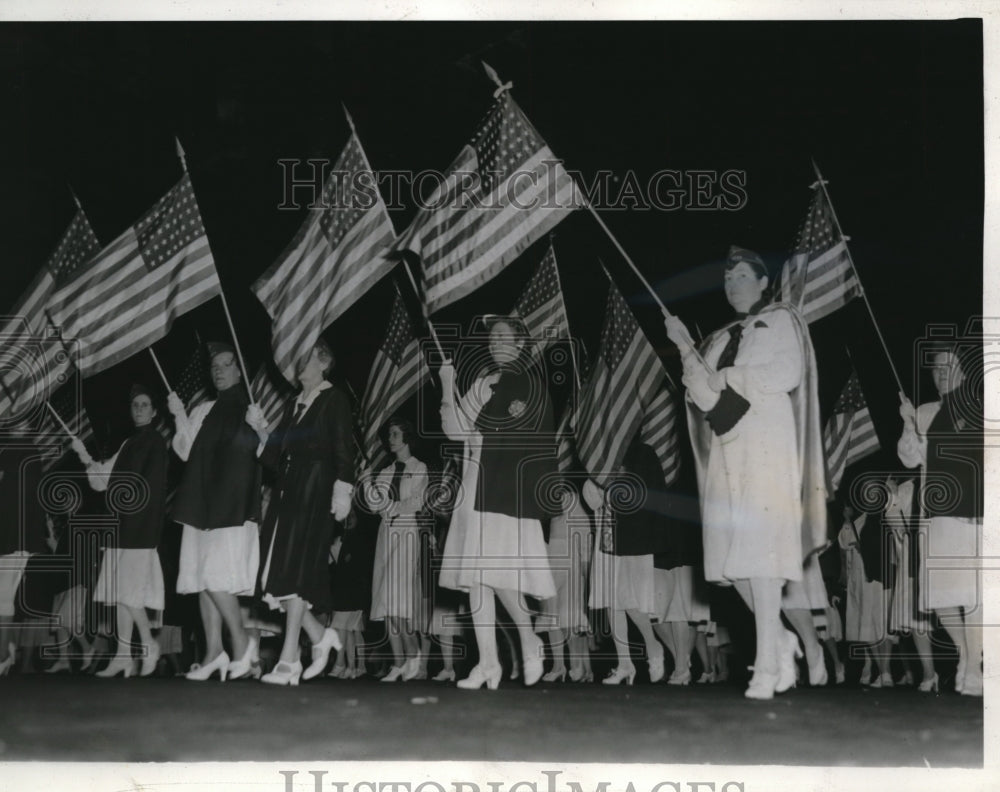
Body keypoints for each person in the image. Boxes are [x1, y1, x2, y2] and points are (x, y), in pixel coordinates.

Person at [664, 245, 827, 700]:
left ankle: (768, 665)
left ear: (762, 282)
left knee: (759, 556)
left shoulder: (780, 319)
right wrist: (683, 347)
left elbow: (787, 372)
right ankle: (781, 638)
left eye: (740, 276)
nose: (732, 284)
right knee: (731, 565)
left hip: (766, 441)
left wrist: (732, 376)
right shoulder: (717, 338)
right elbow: (701, 396)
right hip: (727, 446)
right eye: (727, 278)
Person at [438, 315, 557, 690]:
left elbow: (529, 440)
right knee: (477, 578)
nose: (494, 342)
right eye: (491, 338)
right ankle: (488, 662)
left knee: (490, 570)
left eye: (503, 336)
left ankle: (527, 637)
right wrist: (446, 385)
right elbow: (454, 430)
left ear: (521, 343)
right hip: (475, 487)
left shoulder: (528, 383)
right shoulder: (484, 383)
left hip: (505, 491)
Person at [246, 338, 352, 686]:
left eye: (305, 359)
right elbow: (275, 456)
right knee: (279, 574)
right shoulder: (295, 404)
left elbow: (343, 450)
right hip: (287, 495)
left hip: (316, 492)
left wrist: (342, 491)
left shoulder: (333, 399)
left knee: (296, 573)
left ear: (324, 362)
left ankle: (289, 658)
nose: (298, 366)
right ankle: (320, 636)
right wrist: (260, 427)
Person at [169, 343, 262, 682]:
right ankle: (213, 652)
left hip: (229, 506)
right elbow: (185, 452)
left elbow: (260, 454)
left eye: (226, 364)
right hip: (201, 503)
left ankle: (241, 640)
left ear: (239, 371)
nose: (219, 371)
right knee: (199, 578)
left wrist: (259, 426)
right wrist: (179, 416)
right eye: (215, 367)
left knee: (215, 575)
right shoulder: (205, 409)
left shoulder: (249, 406)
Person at [898, 343, 983, 696]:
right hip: (936, 516)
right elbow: (908, 459)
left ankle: (974, 669)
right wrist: (909, 425)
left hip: (973, 512)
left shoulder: (979, 405)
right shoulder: (925, 411)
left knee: (974, 593)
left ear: (963, 370)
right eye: (936, 368)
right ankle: (967, 655)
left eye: (948, 367)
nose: (941, 373)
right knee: (943, 595)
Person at [73, 384, 168, 678]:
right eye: (135, 405)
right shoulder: (128, 444)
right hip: (119, 527)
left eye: (144, 405)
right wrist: (85, 457)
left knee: (129, 593)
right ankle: (123, 655)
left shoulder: (155, 443)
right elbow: (102, 480)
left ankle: (149, 644)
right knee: (119, 593)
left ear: (154, 412)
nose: (138, 409)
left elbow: (148, 490)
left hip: (139, 528)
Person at [583, 436, 670, 686]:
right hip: (606, 537)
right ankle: (624, 663)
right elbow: (592, 501)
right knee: (611, 600)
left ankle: (653, 647)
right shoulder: (598, 457)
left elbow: (651, 498)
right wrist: (596, 479)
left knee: (629, 597)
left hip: (634, 538)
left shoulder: (643, 453)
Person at [363, 416, 428, 682]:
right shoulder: (385, 472)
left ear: (407, 438)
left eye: (395, 434)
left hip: (407, 531)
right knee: (384, 599)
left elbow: (415, 501)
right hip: (386, 533)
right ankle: (398, 662)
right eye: (389, 435)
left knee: (397, 597)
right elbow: (374, 506)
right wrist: (367, 482)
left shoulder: (419, 467)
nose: (391, 440)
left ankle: (414, 656)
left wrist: (390, 507)